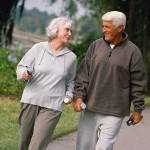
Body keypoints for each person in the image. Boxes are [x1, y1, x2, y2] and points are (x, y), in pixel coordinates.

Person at [74, 11, 147, 150]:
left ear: (120, 28)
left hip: (115, 110)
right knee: (84, 147)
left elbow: (138, 82)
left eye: (107, 27)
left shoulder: (133, 51)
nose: (103, 30)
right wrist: (78, 97)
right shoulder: (96, 45)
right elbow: (84, 74)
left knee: (104, 147)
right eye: (103, 26)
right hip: (90, 107)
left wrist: (138, 110)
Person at [16, 16, 77, 150]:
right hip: (30, 100)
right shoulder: (38, 48)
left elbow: (71, 81)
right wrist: (24, 73)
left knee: (36, 146)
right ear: (56, 31)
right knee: (24, 143)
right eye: (67, 30)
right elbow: (20, 68)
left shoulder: (71, 57)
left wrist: (69, 95)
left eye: (71, 31)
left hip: (53, 105)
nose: (70, 33)